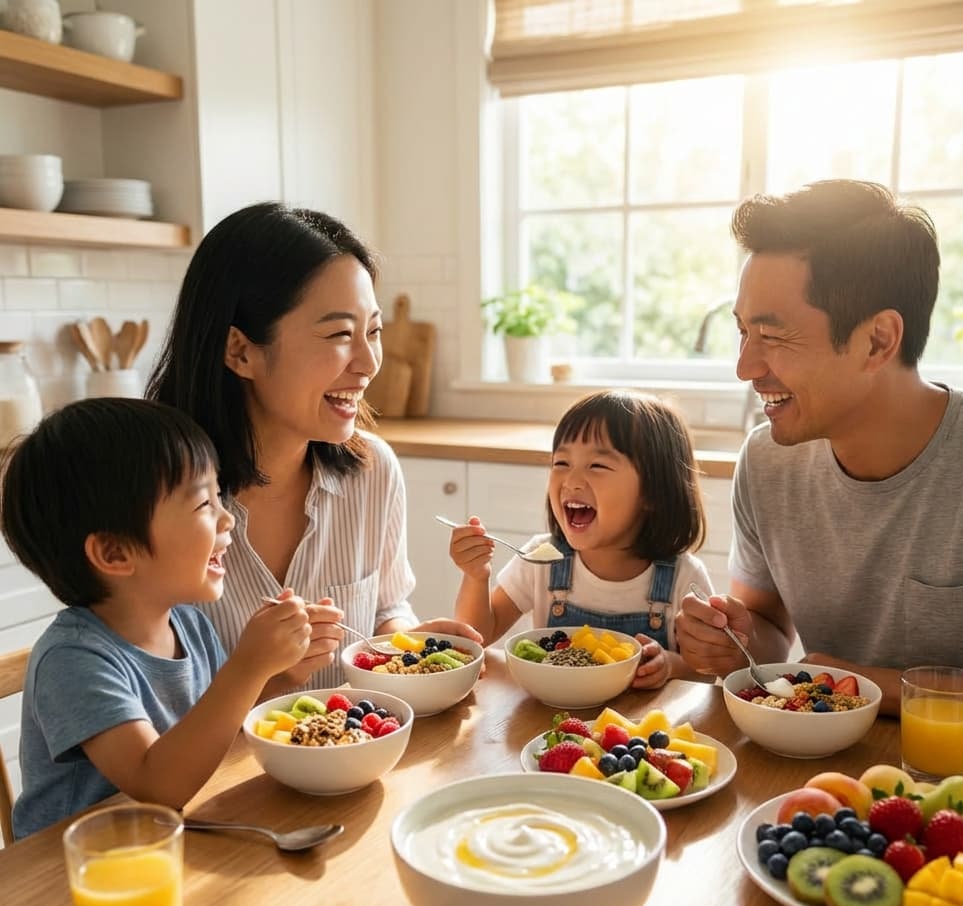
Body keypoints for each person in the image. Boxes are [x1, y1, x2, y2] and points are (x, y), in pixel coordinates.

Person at [677, 179, 963, 742]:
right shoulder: (767, 461)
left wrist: (867, 685)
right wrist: (733, 641)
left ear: (878, 341)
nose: (745, 367)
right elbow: (766, 626)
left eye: (771, 335)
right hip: (813, 768)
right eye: (742, 332)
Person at [146, 202, 479, 694]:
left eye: (373, 332)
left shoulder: (372, 471)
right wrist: (273, 678)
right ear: (240, 351)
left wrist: (408, 647)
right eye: (340, 334)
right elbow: (155, 706)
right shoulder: (154, 500)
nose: (369, 363)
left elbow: (386, 609)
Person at [1, 399, 311, 839]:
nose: (227, 518)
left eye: (218, 496)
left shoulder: (189, 624)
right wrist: (249, 666)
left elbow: (214, 726)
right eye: (203, 503)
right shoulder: (72, 660)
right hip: (75, 867)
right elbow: (156, 784)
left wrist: (280, 673)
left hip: (164, 838)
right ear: (115, 553)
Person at [449, 390, 712, 688]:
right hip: (550, 715)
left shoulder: (684, 578)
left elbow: (705, 669)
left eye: (597, 465)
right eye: (561, 463)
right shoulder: (540, 559)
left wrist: (670, 665)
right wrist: (476, 576)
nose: (571, 481)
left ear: (653, 492)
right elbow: (477, 635)